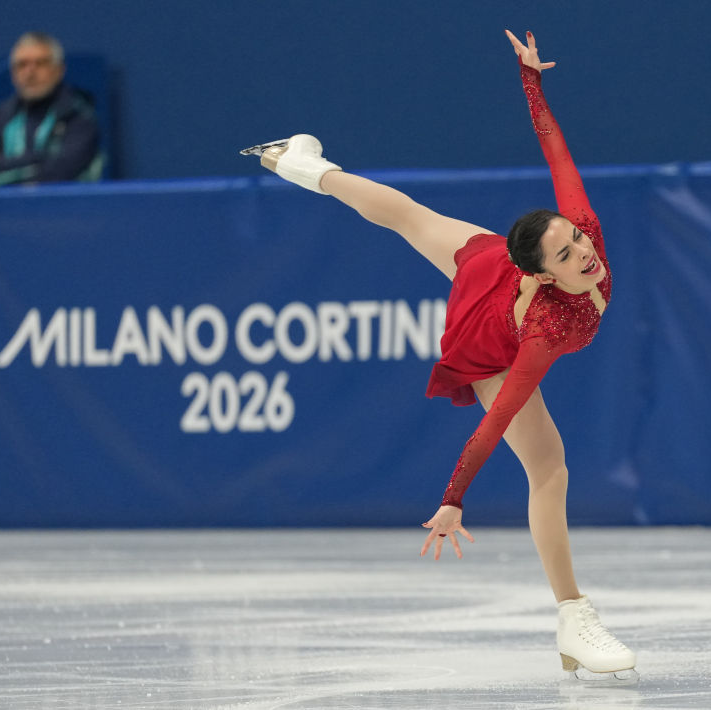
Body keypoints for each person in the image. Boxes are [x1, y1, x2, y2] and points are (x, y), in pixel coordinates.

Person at [243, 29, 638, 682]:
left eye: (577, 239)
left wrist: (531, 81)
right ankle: (574, 615)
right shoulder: (541, 330)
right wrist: (454, 498)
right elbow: (496, 419)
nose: (585, 253)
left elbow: (556, 150)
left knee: (407, 215)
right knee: (549, 470)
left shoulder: (581, 233)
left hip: (489, 260)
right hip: (491, 343)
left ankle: (300, 163)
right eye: (567, 254)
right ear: (542, 274)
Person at [0, 32, 102, 186]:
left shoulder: (79, 116)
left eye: (40, 63)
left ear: (59, 70)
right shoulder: (0, 117)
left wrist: (5, 166)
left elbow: (61, 172)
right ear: (13, 74)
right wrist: (40, 159)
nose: (30, 73)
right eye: (22, 64)